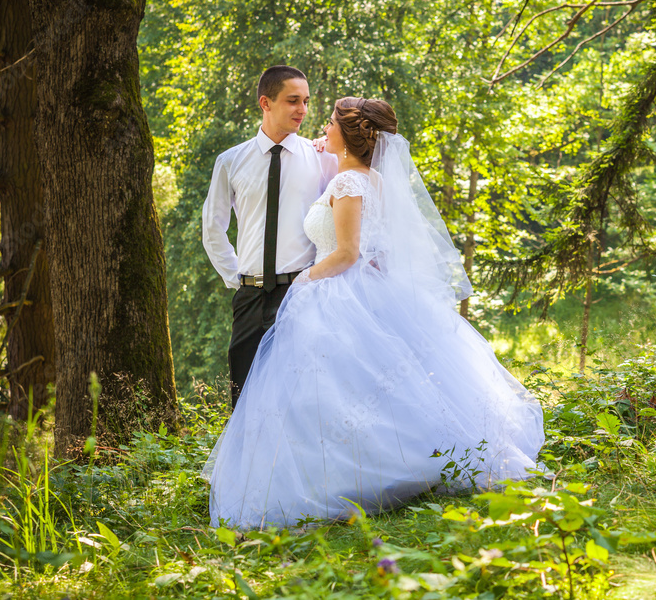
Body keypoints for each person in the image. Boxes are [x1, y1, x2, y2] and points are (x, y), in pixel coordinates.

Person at [203, 97, 544, 529]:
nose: (321, 126)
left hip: (332, 289)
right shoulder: (371, 180)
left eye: (328, 122)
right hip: (362, 289)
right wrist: (327, 149)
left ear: (348, 135)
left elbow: (346, 253)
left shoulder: (347, 184)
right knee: (369, 389)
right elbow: (374, 247)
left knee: (328, 391)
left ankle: (343, 474)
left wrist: (305, 281)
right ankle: (385, 460)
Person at [202, 66, 337, 408]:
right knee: (243, 400)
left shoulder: (322, 159)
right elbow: (212, 226)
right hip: (249, 297)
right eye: (293, 101)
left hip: (300, 295)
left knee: (298, 399)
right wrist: (237, 279)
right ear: (266, 102)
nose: (302, 110)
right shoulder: (230, 161)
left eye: (306, 101)